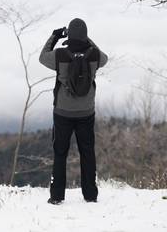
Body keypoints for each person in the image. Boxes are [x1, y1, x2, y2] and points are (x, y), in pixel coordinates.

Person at [39, 18, 108, 204]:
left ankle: (57, 196)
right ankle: (90, 195)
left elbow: (42, 56)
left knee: (60, 153)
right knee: (87, 152)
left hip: (63, 112)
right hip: (86, 112)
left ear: (69, 34)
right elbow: (105, 57)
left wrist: (54, 36)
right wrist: (88, 41)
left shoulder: (60, 55)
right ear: (85, 35)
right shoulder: (94, 55)